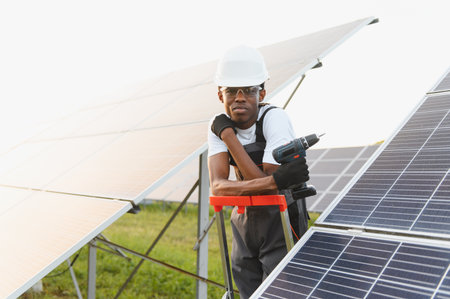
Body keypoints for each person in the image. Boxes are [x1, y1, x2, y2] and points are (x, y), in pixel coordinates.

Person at [207, 45, 310, 298]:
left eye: (249, 90)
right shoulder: (218, 126)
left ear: (261, 93)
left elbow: (265, 185)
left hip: (281, 217)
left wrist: (229, 138)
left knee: (282, 289)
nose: (239, 97)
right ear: (221, 95)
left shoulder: (274, 119)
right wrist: (273, 180)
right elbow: (218, 188)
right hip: (242, 219)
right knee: (246, 288)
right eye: (231, 90)